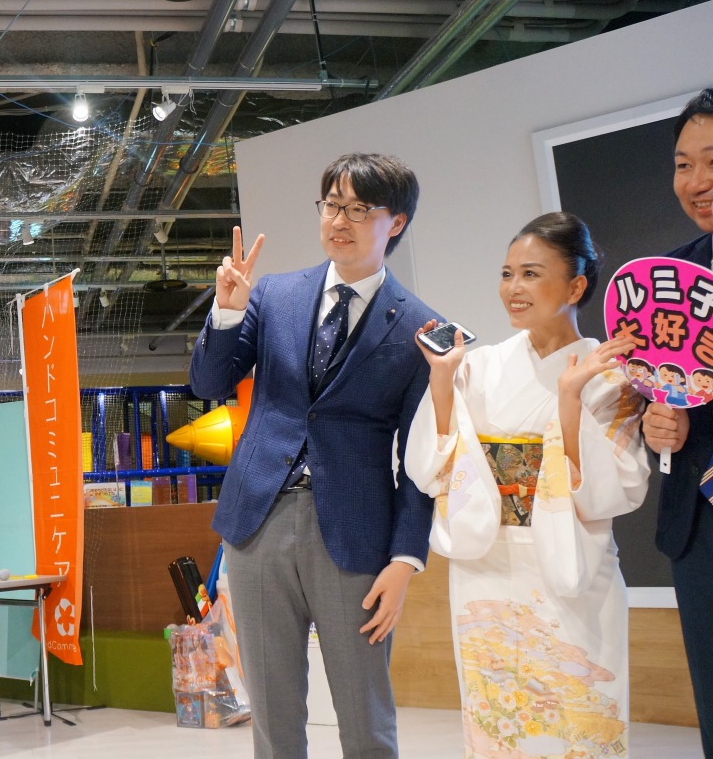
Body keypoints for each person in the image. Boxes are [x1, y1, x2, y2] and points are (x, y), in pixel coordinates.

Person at [189, 153, 436, 759]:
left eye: (359, 209)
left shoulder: (422, 329)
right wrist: (227, 310)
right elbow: (208, 383)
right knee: (273, 717)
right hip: (257, 524)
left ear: (397, 222)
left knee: (365, 716)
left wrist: (406, 559)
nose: (339, 220)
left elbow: (421, 459)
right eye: (332, 205)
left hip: (355, 536)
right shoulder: (274, 295)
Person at [404, 211, 648, 757]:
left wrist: (570, 398)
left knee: (576, 713)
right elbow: (430, 467)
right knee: (499, 716)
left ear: (576, 287)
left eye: (531, 274)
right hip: (485, 564)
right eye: (507, 273)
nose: (513, 288)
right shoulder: (478, 365)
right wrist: (442, 376)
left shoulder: (612, 374)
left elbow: (614, 490)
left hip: (569, 561)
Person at [640, 86, 713, 757]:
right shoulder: (675, 276)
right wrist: (655, 425)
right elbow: (659, 389)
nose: (696, 181)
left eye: (712, 161)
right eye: (683, 164)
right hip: (699, 524)